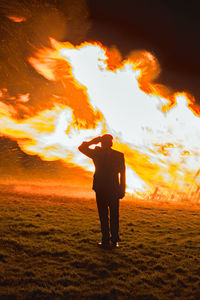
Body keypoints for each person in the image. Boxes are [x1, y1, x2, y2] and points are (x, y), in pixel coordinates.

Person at [78, 134, 126, 249]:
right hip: (110, 188)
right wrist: (122, 189)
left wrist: (93, 141)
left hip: (103, 188)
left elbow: (82, 148)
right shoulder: (117, 155)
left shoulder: (98, 153)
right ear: (111, 143)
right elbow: (122, 175)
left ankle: (107, 240)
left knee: (105, 215)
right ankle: (113, 241)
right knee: (112, 215)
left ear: (102, 143)